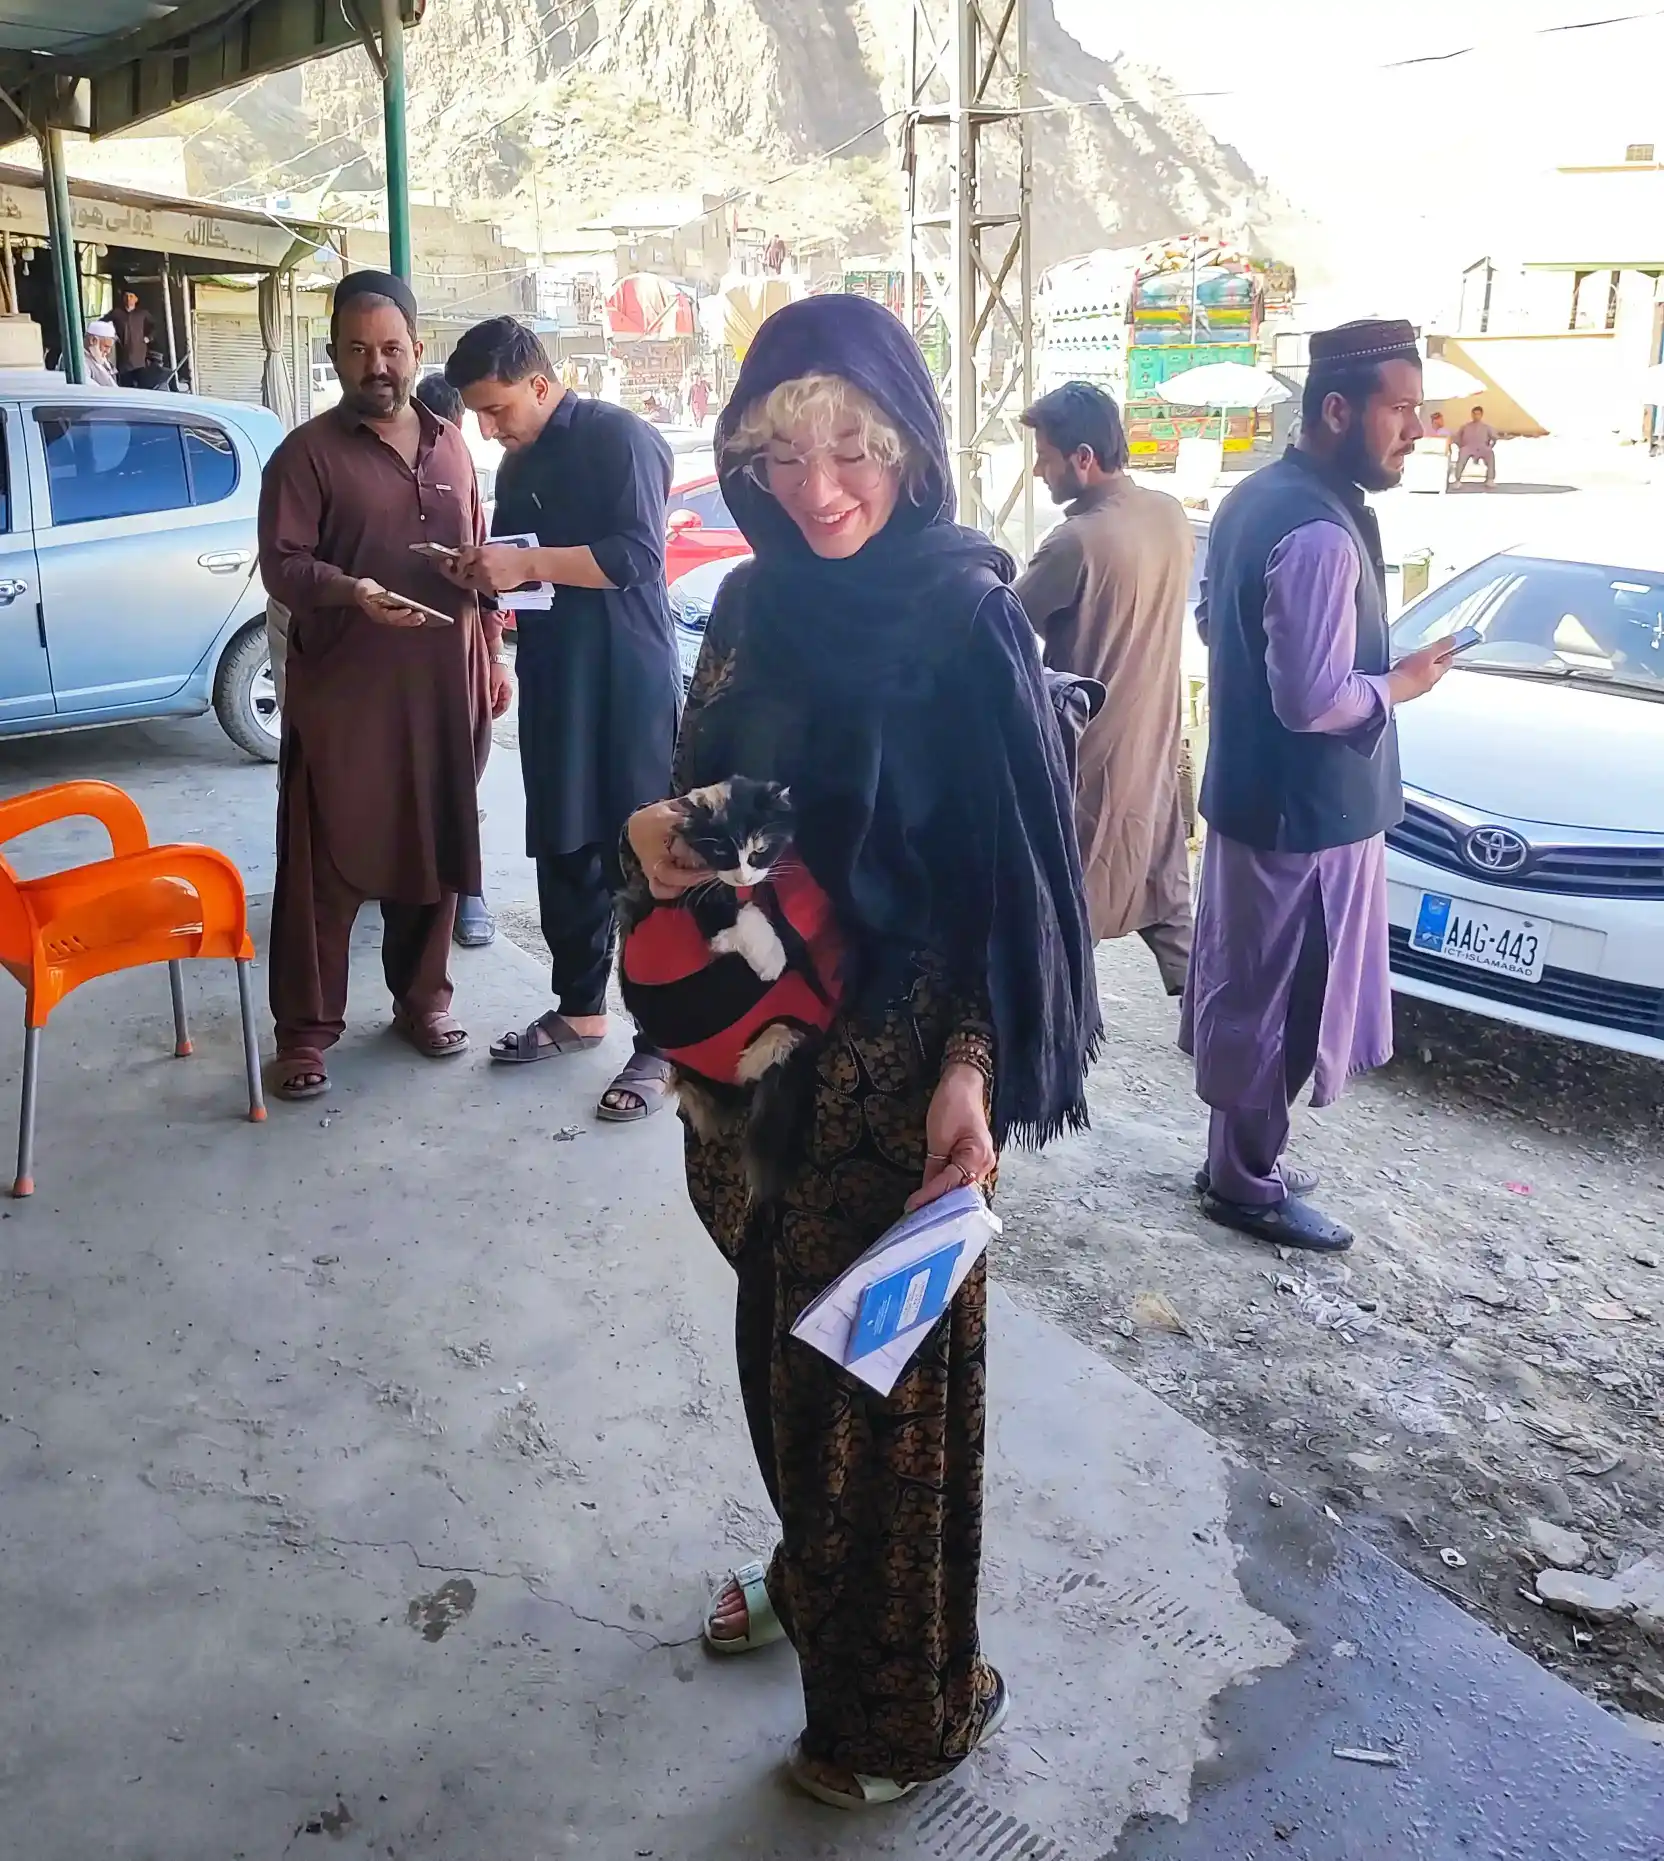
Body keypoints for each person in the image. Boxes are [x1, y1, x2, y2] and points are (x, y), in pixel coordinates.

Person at [623, 295, 1099, 1806]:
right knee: (786, 1378)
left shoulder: (968, 615)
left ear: (907, 447)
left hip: (902, 1084)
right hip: (762, 1069)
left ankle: (897, 1720)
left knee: (888, 1419)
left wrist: (971, 1071)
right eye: (782, 455)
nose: (817, 486)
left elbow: (1007, 886)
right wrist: (655, 835)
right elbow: (707, 797)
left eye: (853, 449)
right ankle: (805, 1575)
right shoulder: (758, 605)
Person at [1181, 319, 1457, 1253]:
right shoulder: (1319, 532)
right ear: (1337, 409)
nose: (1417, 428)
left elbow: (1218, 620)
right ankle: (1244, 1182)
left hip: (1263, 801)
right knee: (1288, 998)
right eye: (1401, 408)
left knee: (1252, 986)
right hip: (1304, 817)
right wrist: (1403, 684)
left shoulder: (1256, 497)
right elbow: (1310, 699)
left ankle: (1237, 1160)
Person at [257, 270, 513, 1102]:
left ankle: (421, 1003)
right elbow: (284, 564)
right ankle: (305, 1032)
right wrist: (354, 591)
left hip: (446, 690)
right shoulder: (306, 454)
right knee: (325, 869)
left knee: (433, 853)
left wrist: (495, 648)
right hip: (345, 699)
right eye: (359, 349)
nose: (378, 365)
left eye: (392, 348)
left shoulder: (450, 443)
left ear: (417, 350)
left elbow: (479, 551)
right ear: (333, 353)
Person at [441, 316, 681, 1123]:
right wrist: (482, 573)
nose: (488, 427)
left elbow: (638, 557)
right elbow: (523, 563)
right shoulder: (521, 458)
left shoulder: (623, 439)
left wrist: (527, 563)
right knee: (565, 845)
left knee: (644, 857)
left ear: (540, 384)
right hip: (555, 679)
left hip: (625, 686)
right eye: (476, 414)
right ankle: (580, 1008)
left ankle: (662, 1040)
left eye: (498, 408)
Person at [1015, 381, 1195, 994]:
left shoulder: (1076, 541)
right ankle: (1234, 1064)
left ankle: (1055, 1072)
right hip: (1158, 753)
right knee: (1171, 914)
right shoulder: (1169, 515)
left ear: (1083, 458)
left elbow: (1002, 629)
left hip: (1092, 767)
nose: (1039, 470)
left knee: (1062, 937)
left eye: (1045, 456)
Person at [413, 368, 500, 952]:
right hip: (389, 663)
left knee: (461, 775)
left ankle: (469, 890)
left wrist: (494, 655)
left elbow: (490, 570)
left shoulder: (457, 461)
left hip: (457, 652)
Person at [111, 290, 155, 386]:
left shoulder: (143, 314)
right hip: (123, 360)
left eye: (131, 296)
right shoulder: (117, 314)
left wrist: (148, 338)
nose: (128, 299)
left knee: (143, 386)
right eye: (126, 296)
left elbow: (155, 327)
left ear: (136, 299)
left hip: (139, 359)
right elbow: (109, 327)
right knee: (126, 388)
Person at [1453, 404, 1499, 487]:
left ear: (1481, 415)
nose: (1476, 416)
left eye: (1478, 414)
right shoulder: (1465, 426)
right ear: (1472, 414)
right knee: (1462, 454)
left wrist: (1490, 446)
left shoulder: (1486, 427)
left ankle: (1490, 479)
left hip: (1482, 447)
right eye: (1474, 414)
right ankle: (1457, 480)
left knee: (1490, 453)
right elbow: (1457, 437)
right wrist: (1461, 446)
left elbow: (1494, 438)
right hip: (1468, 447)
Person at [82, 319, 118, 387]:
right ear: (93, 340)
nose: (108, 351)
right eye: (106, 346)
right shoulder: (79, 360)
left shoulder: (97, 357)